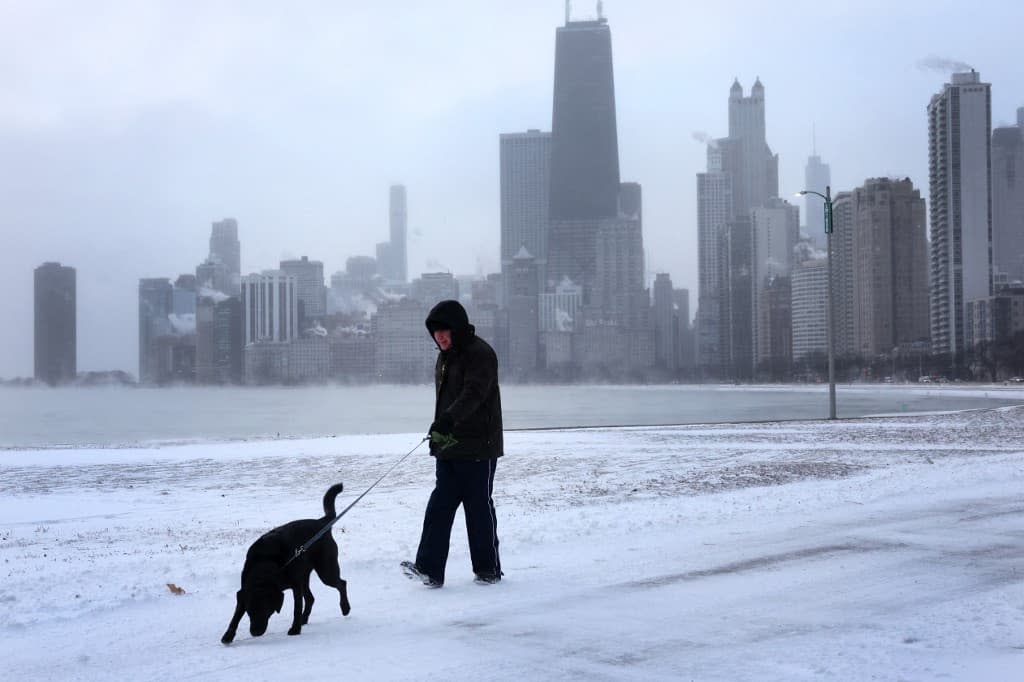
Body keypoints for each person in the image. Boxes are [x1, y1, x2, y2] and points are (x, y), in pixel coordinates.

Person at [401, 300, 503, 588]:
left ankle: (488, 569)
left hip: (478, 446)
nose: (440, 337)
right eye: (436, 333)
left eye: (445, 332)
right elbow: (447, 401)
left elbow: (474, 394)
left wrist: (448, 420)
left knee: (478, 509)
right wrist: (441, 432)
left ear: (457, 329)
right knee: (439, 506)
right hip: (449, 447)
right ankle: (430, 569)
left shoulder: (480, 354)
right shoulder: (445, 357)